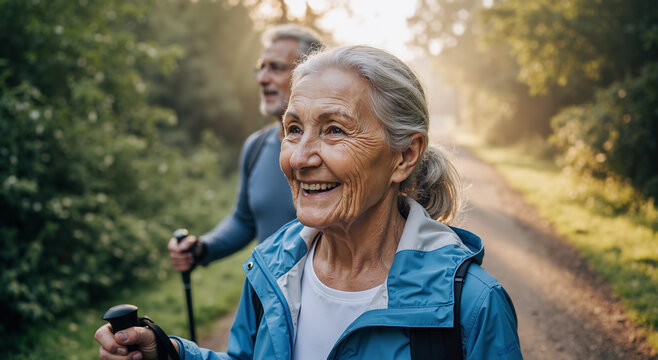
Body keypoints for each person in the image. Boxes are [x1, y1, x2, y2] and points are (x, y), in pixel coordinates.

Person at [95, 45, 523, 359]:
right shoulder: (273, 268)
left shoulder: (472, 303)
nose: (299, 158)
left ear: (405, 156)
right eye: (294, 129)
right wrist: (170, 355)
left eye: (335, 130)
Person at [168, 24, 324, 272]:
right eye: (261, 67)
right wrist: (203, 248)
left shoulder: (337, 149)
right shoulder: (256, 147)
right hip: (268, 303)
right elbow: (244, 220)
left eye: (276, 68)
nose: (262, 79)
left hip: (327, 304)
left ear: (311, 74)